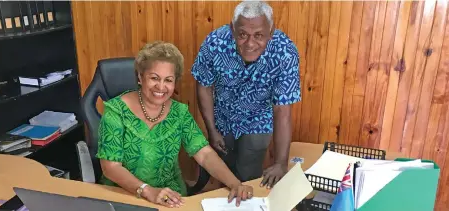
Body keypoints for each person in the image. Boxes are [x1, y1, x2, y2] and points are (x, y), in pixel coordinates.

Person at [96, 41, 253, 208]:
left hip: (169, 196)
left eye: (168, 80)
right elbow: (110, 167)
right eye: (154, 78)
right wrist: (147, 190)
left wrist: (235, 183)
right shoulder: (116, 111)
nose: (161, 87)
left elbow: (204, 153)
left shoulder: (179, 113)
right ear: (140, 77)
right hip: (123, 194)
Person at [191, 1, 301, 189]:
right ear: (232, 28)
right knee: (223, 174)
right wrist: (211, 129)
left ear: (271, 30)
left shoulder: (285, 53)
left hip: (258, 120)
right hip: (222, 116)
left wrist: (281, 163)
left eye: (259, 35)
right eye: (242, 34)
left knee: (248, 175)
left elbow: (282, 109)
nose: (250, 43)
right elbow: (204, 86)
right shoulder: (215, 43)